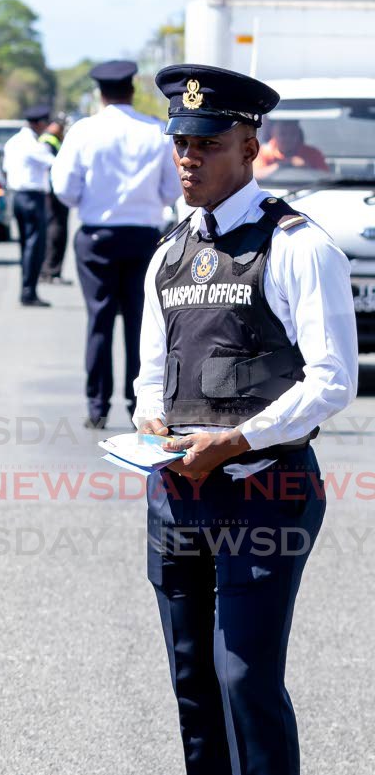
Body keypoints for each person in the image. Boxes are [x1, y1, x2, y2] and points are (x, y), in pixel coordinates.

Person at [136, 63, 358, 775]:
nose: (189, 158)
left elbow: (333, 380)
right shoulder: (169, 251)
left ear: (250, 146)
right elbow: (149, 372)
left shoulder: (297, 245)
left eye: (207, 142)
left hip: (264, 488)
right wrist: (147, 419)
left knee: (244, 680)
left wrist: (236, 439)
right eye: (180, 144)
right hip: (177, 494)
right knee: (194, 685)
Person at [50, 60, 182, 429]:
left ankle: (97, 406)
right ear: (133, 90)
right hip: (144, 236)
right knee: (143, 324)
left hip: (97, 236)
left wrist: (93, 202)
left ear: (100, 93)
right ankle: (141, 405)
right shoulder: (157, 130)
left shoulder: (84, 131)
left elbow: (64, 188)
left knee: (99, 322)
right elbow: (172, 189)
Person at [2, 104, 56, 306]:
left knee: (26, 245)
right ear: (40, 124)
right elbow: (53, 162)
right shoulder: (33, 144)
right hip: (32, 198)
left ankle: (27, 289)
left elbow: (6, 168)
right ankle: (28, 292)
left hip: (18, 196)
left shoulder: (13, 141)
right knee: (35, 247)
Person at [38, 117, 72, 285]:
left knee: (56, 231)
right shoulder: (48, 141)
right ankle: (50, 270)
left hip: (53, 192)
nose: (62, 130)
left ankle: (51, 270)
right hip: (53, 193)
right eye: (60, 126)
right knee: (56, 232)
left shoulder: (51, 140)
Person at [253, 119, 329, 179]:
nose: (288, 138)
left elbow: (326, 178)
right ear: (273, 133)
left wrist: (307, 167)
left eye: (292, 133)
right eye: (283, 134)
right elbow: (255, 176)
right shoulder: (264, 152)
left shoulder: (313, 154)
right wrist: (282, 165)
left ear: (298, 134)